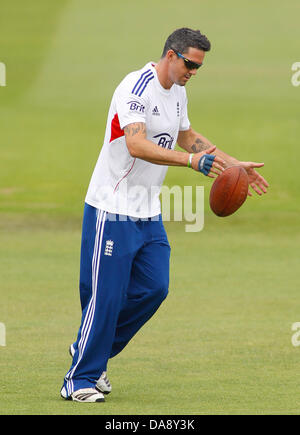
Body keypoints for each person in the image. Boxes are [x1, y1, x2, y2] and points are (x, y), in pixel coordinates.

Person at [60, 27, 269, 403]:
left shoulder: (178, 93)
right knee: (105, 298)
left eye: (198, 67)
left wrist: (234, 164)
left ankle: (91, 350)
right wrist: (191, 163)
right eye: (190, 63)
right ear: (170, 55)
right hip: (113, 206)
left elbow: (187, 136)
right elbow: (136, 144)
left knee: (155, 288)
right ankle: (79, 380)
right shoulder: (135, 87)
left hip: (148, 211)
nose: (193, 71)